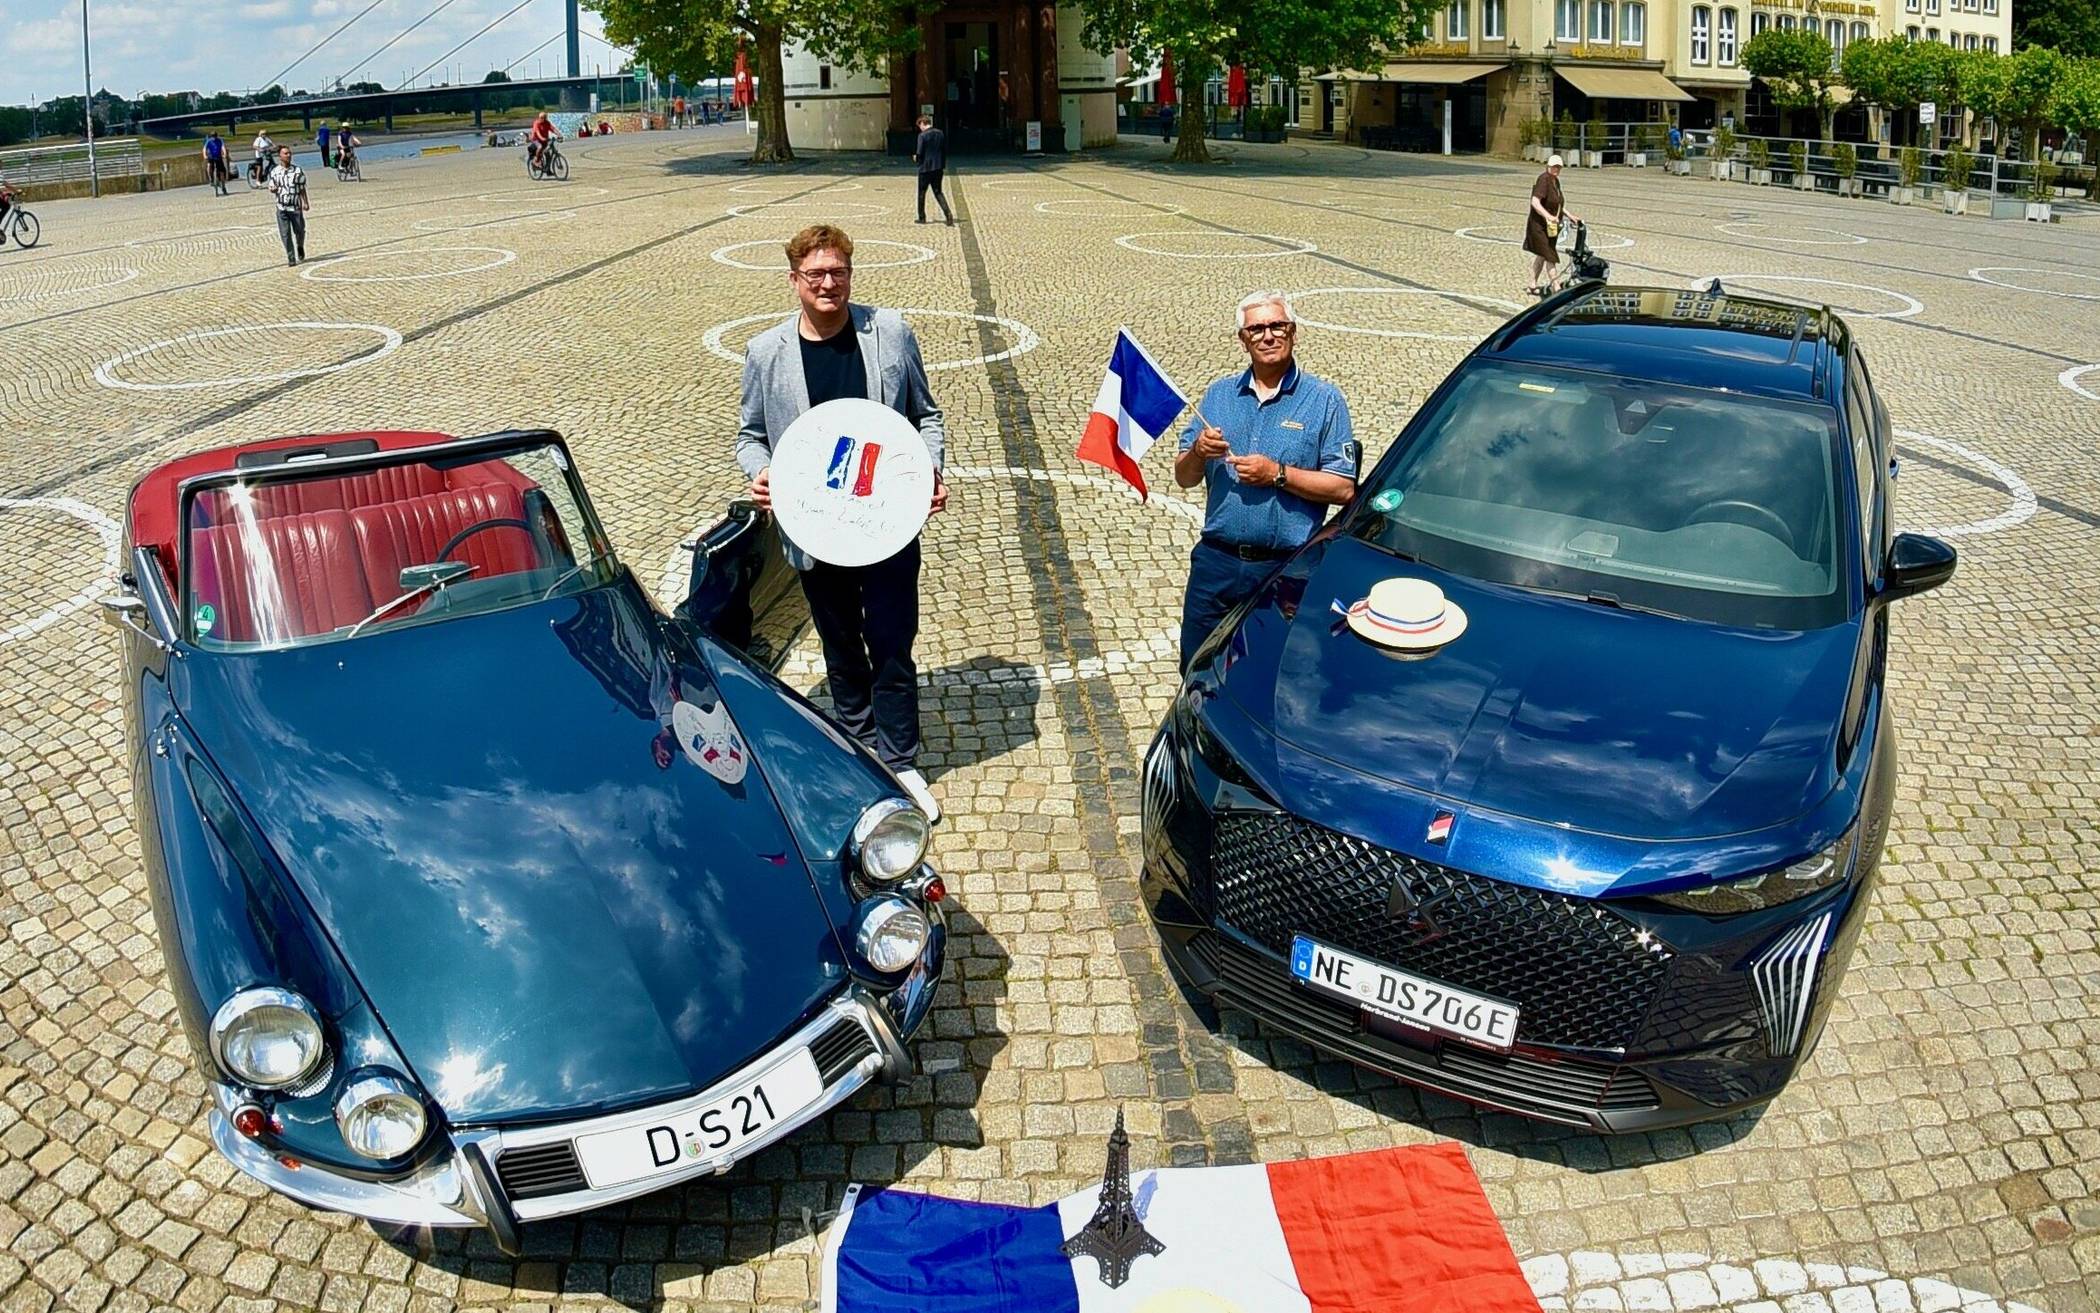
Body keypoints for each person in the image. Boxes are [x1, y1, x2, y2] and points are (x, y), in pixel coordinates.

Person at [735, 224, 949, 820]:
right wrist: (759, 473)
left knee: (892, 645)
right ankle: (858, 752)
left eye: (839, 272)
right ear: (795, 281)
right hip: (814, 527)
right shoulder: (767, 352)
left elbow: (926, 416)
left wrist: (927, 471)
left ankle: (901, 762)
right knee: (840, 646)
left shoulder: (889, 333)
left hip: (885, 525)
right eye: (816, 274)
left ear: (850, 275)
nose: (829, 283)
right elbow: (750, 434)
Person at [1174, 291, 1357, 669]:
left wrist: (1277, 474)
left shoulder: (1324, 401)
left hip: (1285, 569)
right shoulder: (1219, 394)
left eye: (1278, 326)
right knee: (1196, 665)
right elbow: (1184, 477)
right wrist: (1198, 453)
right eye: (1256, 329)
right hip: (1216, 563)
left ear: (1293, 332)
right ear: (1243, 339)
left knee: (1270, 671)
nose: (1268, 336)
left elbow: (1343, 489)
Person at [1525, 153, 1579, 295]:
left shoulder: (1556, 181)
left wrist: (1569, 215)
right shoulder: (1544, 180)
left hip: (1551, 227)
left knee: (1542, 255)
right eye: (1554, 166)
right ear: (1548, 166)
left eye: (1559, 167)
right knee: (1550, 255)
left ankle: (1532, 284)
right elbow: (1535, 202)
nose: (1557, 169)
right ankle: (1556, 287)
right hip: (1539, 226)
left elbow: (1558, 205)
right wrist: (1548, 216)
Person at [265, 143, 309, 266]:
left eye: (289, 153)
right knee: (285, 234)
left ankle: (300, 246)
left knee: (300, 231)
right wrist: (273, 189)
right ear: (280, 156)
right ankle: (291, 257)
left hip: (295, 207)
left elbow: (302, 188)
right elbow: (271, 186)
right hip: (281, 207)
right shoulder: (275, 172)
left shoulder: (297, 171)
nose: (288, 155)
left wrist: (305, 202)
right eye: (286, 154)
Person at [913, 115, 953, 226]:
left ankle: (922, 217)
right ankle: (948, 214)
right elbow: (944, 150)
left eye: (919, 126)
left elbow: (920, 152)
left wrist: (916, 159)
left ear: (922, 123)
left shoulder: (922, 136)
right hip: (938, 167)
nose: (919, 128)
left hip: (925, 168)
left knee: (922, 193)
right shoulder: (940, 133)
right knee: (938, 192)